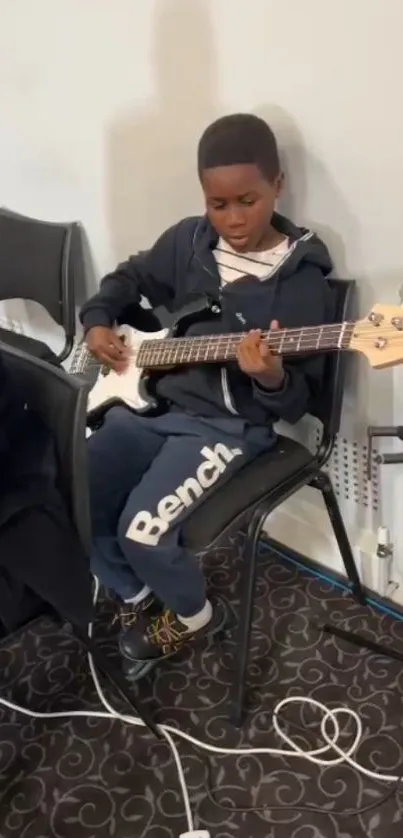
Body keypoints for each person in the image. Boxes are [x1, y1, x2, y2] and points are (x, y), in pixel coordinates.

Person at [80, 113, 333, 667]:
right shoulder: (189, 241)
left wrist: (269, 375)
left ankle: (196, 617)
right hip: (148, 409)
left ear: (278, 187)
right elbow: (129, 278)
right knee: (71, 495)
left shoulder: (301, 286)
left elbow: (295, 404)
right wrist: (98, 318)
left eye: (249, 200)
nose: (235, 219)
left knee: (142, 532)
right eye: (219, 206)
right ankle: (140, 596)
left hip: (228, 428)